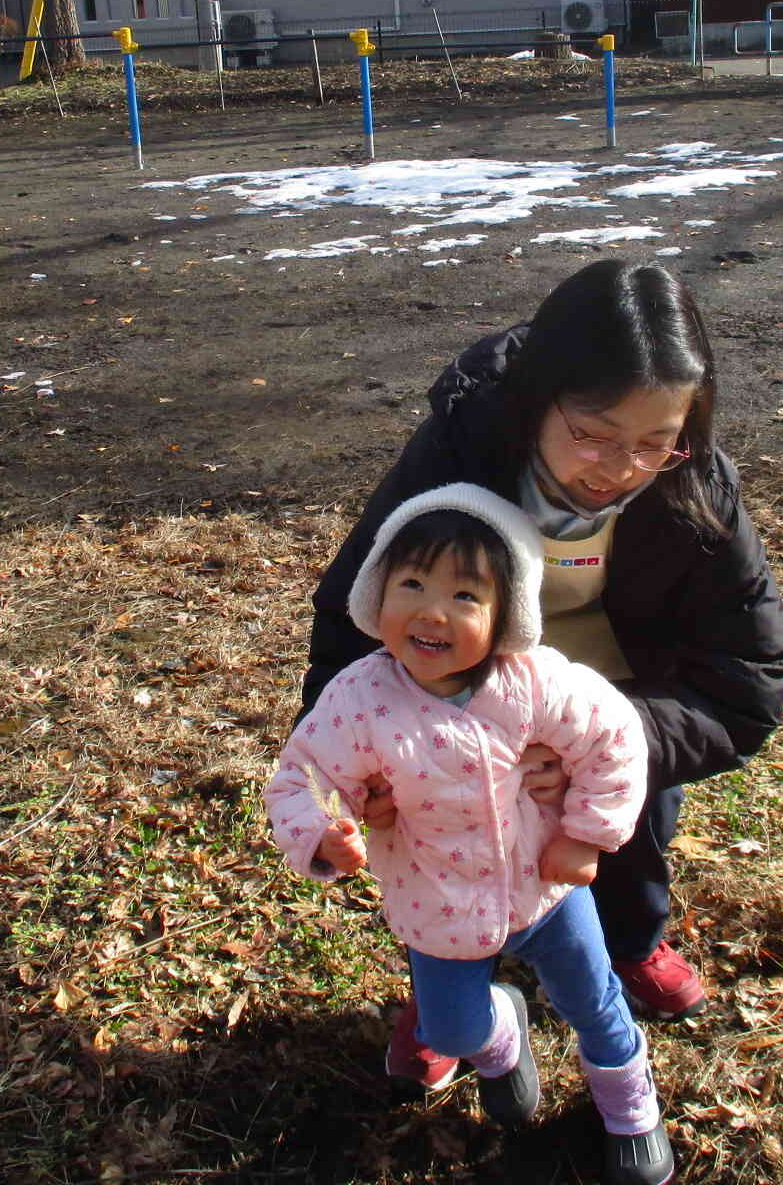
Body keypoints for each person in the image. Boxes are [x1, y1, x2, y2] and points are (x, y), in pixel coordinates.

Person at [301, 258, 783, 1090]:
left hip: (618, 685)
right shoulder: (461, 451)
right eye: (593, 434)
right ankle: (445, 985)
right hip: (460, 673)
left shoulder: (693, 483)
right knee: (436, 823)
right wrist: (351, 773)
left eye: (654, 441)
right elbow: (355, 607)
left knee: (630, 817)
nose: (618, 467)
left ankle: (631, 940)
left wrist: (613, 743)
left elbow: (751, 670)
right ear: (539, 398)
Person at [269, 484, 674, 1185]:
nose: (432, 611)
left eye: (465, 596)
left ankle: (629, 1105)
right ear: (377, 591)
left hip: (545, 888)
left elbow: (615, 741)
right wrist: (322, 835)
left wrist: (585, 833)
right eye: (413, 583)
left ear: (507, 613)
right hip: (437, 901)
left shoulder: (533, 683)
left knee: (593, 1002)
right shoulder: (361, 697)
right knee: (451, 1029)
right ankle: (500, 1037)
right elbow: (299, 775)